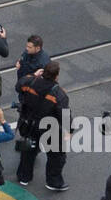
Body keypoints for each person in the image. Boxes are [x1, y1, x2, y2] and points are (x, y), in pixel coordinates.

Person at [13, 59, 69, 189]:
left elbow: (18, 86)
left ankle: (24, 177)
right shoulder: (59, 94)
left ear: (42, 72)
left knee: (28, 151)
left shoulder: (30, 82)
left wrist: (33, 75)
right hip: (49, 128)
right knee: (56, 155)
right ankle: (53, 182)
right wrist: (69, 131)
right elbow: (64, 115)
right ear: (56, 76)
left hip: (29, 123)